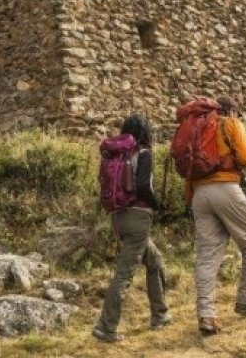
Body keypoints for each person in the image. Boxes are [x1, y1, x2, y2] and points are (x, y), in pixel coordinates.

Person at [92, 114, 171, 343]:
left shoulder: (117, 154)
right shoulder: (143, 154)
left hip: (118, 217)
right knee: (124, 274)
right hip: (138, 218)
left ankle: (160, 314)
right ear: (145, 132)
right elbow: (144, 186)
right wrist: (158, 205)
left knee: (155, 261)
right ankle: (106, 327)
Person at [191, 96, 246, 335]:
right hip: (226, 188)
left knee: (206, 256)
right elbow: (244, 157)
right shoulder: (231, 124)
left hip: (199, 194)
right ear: (231, 110)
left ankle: (206, 316)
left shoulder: (197, 129)